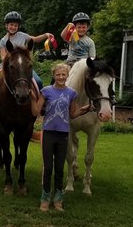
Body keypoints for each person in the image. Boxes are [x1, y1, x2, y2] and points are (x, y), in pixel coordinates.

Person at [30, 63, 91, 212]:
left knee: (59, 168)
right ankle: (44, 199)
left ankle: (58, 200)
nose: (61, 77)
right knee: (48, 168)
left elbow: (72, 114)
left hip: (63, 134)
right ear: (54, 76)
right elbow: (36, 112)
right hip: (49, 133)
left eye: (64, 74)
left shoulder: (72, 93)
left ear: (67, 75)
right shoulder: (46, 92)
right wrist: (32, 99)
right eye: (58, 74)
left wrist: (82, 111)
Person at [0, 11, 54, 104]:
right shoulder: (3, 40)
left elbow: (35, 39)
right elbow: (2, 56)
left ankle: (43, 102)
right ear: (6, 25)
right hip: (9, 64)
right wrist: (11, 60)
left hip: (23, 65)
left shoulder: (23, 36)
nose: (13, 27)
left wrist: (46, 35)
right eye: (11, 25)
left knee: (38, 81)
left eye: (15, 25)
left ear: (18, 27)